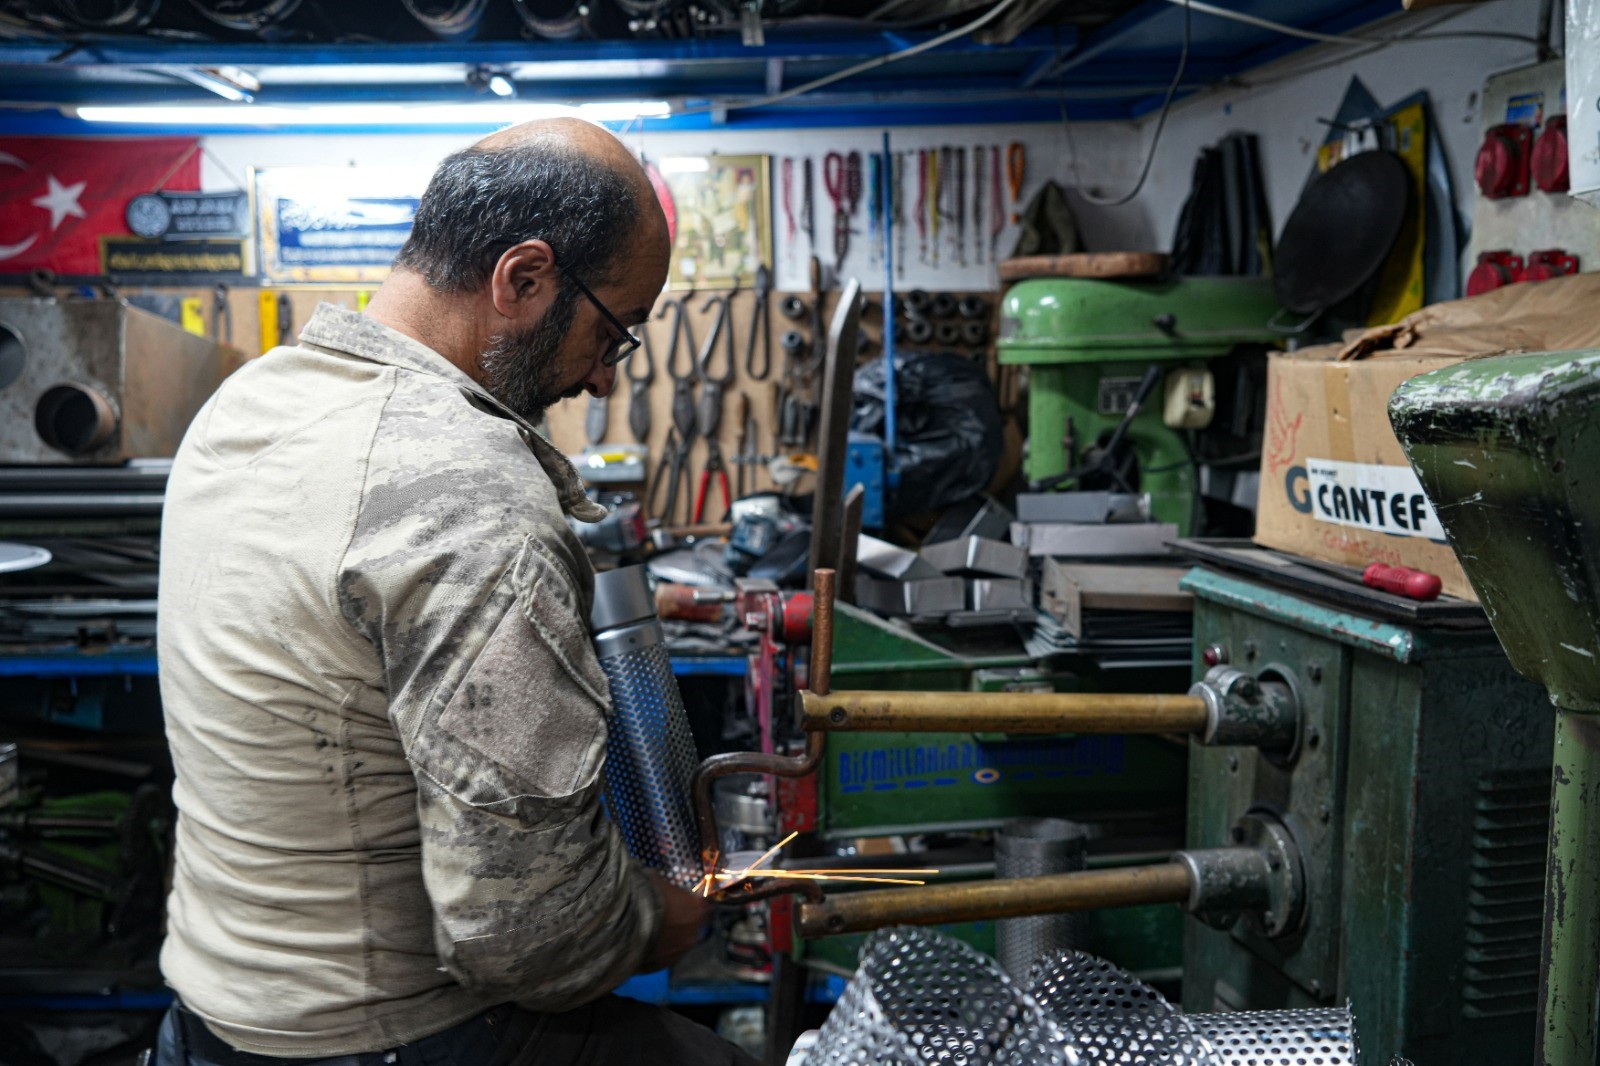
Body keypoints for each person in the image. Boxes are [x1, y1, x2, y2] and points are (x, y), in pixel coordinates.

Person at [153, 119, 757, 1065]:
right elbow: (530, 938)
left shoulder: (254, 399)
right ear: (524, 278)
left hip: (214, 1013)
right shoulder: (470, 493)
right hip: (386, 1033)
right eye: (613, 331)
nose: (604, 378)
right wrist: (656, 915)